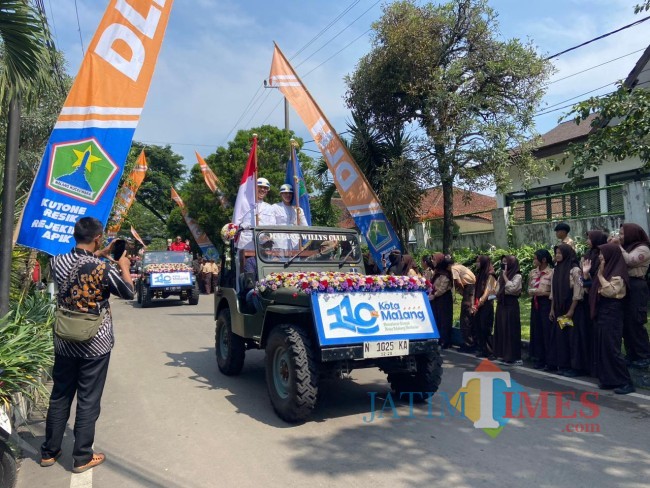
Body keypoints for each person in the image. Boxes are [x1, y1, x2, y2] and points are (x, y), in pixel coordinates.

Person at [40, 217, 134, 473]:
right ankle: (82, 457)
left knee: (60, 394)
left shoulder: (56, 261)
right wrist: (123, 266)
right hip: (95, 344)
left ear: (75, 235)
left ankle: (49, 451)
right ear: (98, 238)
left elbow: (75, 267)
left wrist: (98, 254)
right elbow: (128, 293)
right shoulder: (102, 267)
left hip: (65, 341)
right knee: (88, 400)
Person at [590, 243, 635, 394]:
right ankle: (609, 379)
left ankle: (626, 382)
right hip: (604, 313)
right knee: (604, 348)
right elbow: (597, 290)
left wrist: (601, 277)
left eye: (602, 254)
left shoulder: (618, 272)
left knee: (613, 348)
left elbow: (610, 291)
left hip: (613, 314)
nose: (600, 257)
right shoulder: (607, 270)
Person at [549, 244, 587, 377]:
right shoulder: (556, 270)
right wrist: (552, 309)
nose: (557, 255)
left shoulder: (575, 270)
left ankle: (576, 367)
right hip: (560, 309)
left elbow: (578, 291)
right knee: (562, 338)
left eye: (560, 253)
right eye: (556, 253)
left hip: (572, 310)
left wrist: (571, 311)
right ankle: (565, 364)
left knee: (573, 338)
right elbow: (553, 291)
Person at [617, 223, 650, 369]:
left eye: (623, 233)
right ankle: (631, 353)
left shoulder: (643, 248)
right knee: (625, 321)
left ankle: (643, 355)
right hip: (626, 285)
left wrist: (618, 246)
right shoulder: (627, 248)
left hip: (637, 286)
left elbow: (630, 260)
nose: (620, 236)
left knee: (636, 321)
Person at [581, 230, 608, 374]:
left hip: (597, 293)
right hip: (587, 294)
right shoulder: (589, 254)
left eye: (589, 238)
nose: (587, 241)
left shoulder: (602, 256)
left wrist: (586, 275)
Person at [493, 255, 523, 365]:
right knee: (501, 328)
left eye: (506, 262)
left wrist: (505, 277)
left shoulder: (517, 276)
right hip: (502, 304)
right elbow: (497, 290)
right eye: (502, 262)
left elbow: (513, 289)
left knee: (511, 330)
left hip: (511, 305)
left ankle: (513, 356)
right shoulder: (501, 276)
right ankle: (502, 353)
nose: (504, 264)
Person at [528, 249, 554, 370]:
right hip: (535, 303)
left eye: (535, 258)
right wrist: (532, 292)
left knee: (547, 332)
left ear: (543, 260)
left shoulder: (551, 273)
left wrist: (543, 293)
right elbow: (529, 287)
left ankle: (550, 361)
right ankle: (539, 358)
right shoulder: (533, 273)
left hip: (546, 303)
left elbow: (553, 292)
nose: (533, 261)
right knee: (537, 331)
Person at [472, 255, 497, 358]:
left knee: (486, 327)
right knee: (479, 326)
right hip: (479, 303)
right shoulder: (481, 273)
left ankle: (490, 351)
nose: (477, 263)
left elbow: (488, 290)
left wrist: (479, 302)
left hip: (486, 304)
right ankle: (483, 349)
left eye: (478, 262)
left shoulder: (490, 274)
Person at [450, 259, 477, 352]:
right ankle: (470, 342)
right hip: (471, 287)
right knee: (468, 315)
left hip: (468, 288)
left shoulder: (453, 269)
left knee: (465, 317)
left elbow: (457, 281)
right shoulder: (459, 266)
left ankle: (469, 344)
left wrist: (462, 291)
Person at [431, 254, 453, 349]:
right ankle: (439, 339)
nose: (433, 261)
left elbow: (442, 288)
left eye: (434, 259)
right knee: (438, 319)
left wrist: (434, 295)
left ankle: (445, 341)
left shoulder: (446, 275)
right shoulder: (438, 273)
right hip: (437, 299)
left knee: (445, 320)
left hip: (444, 299)